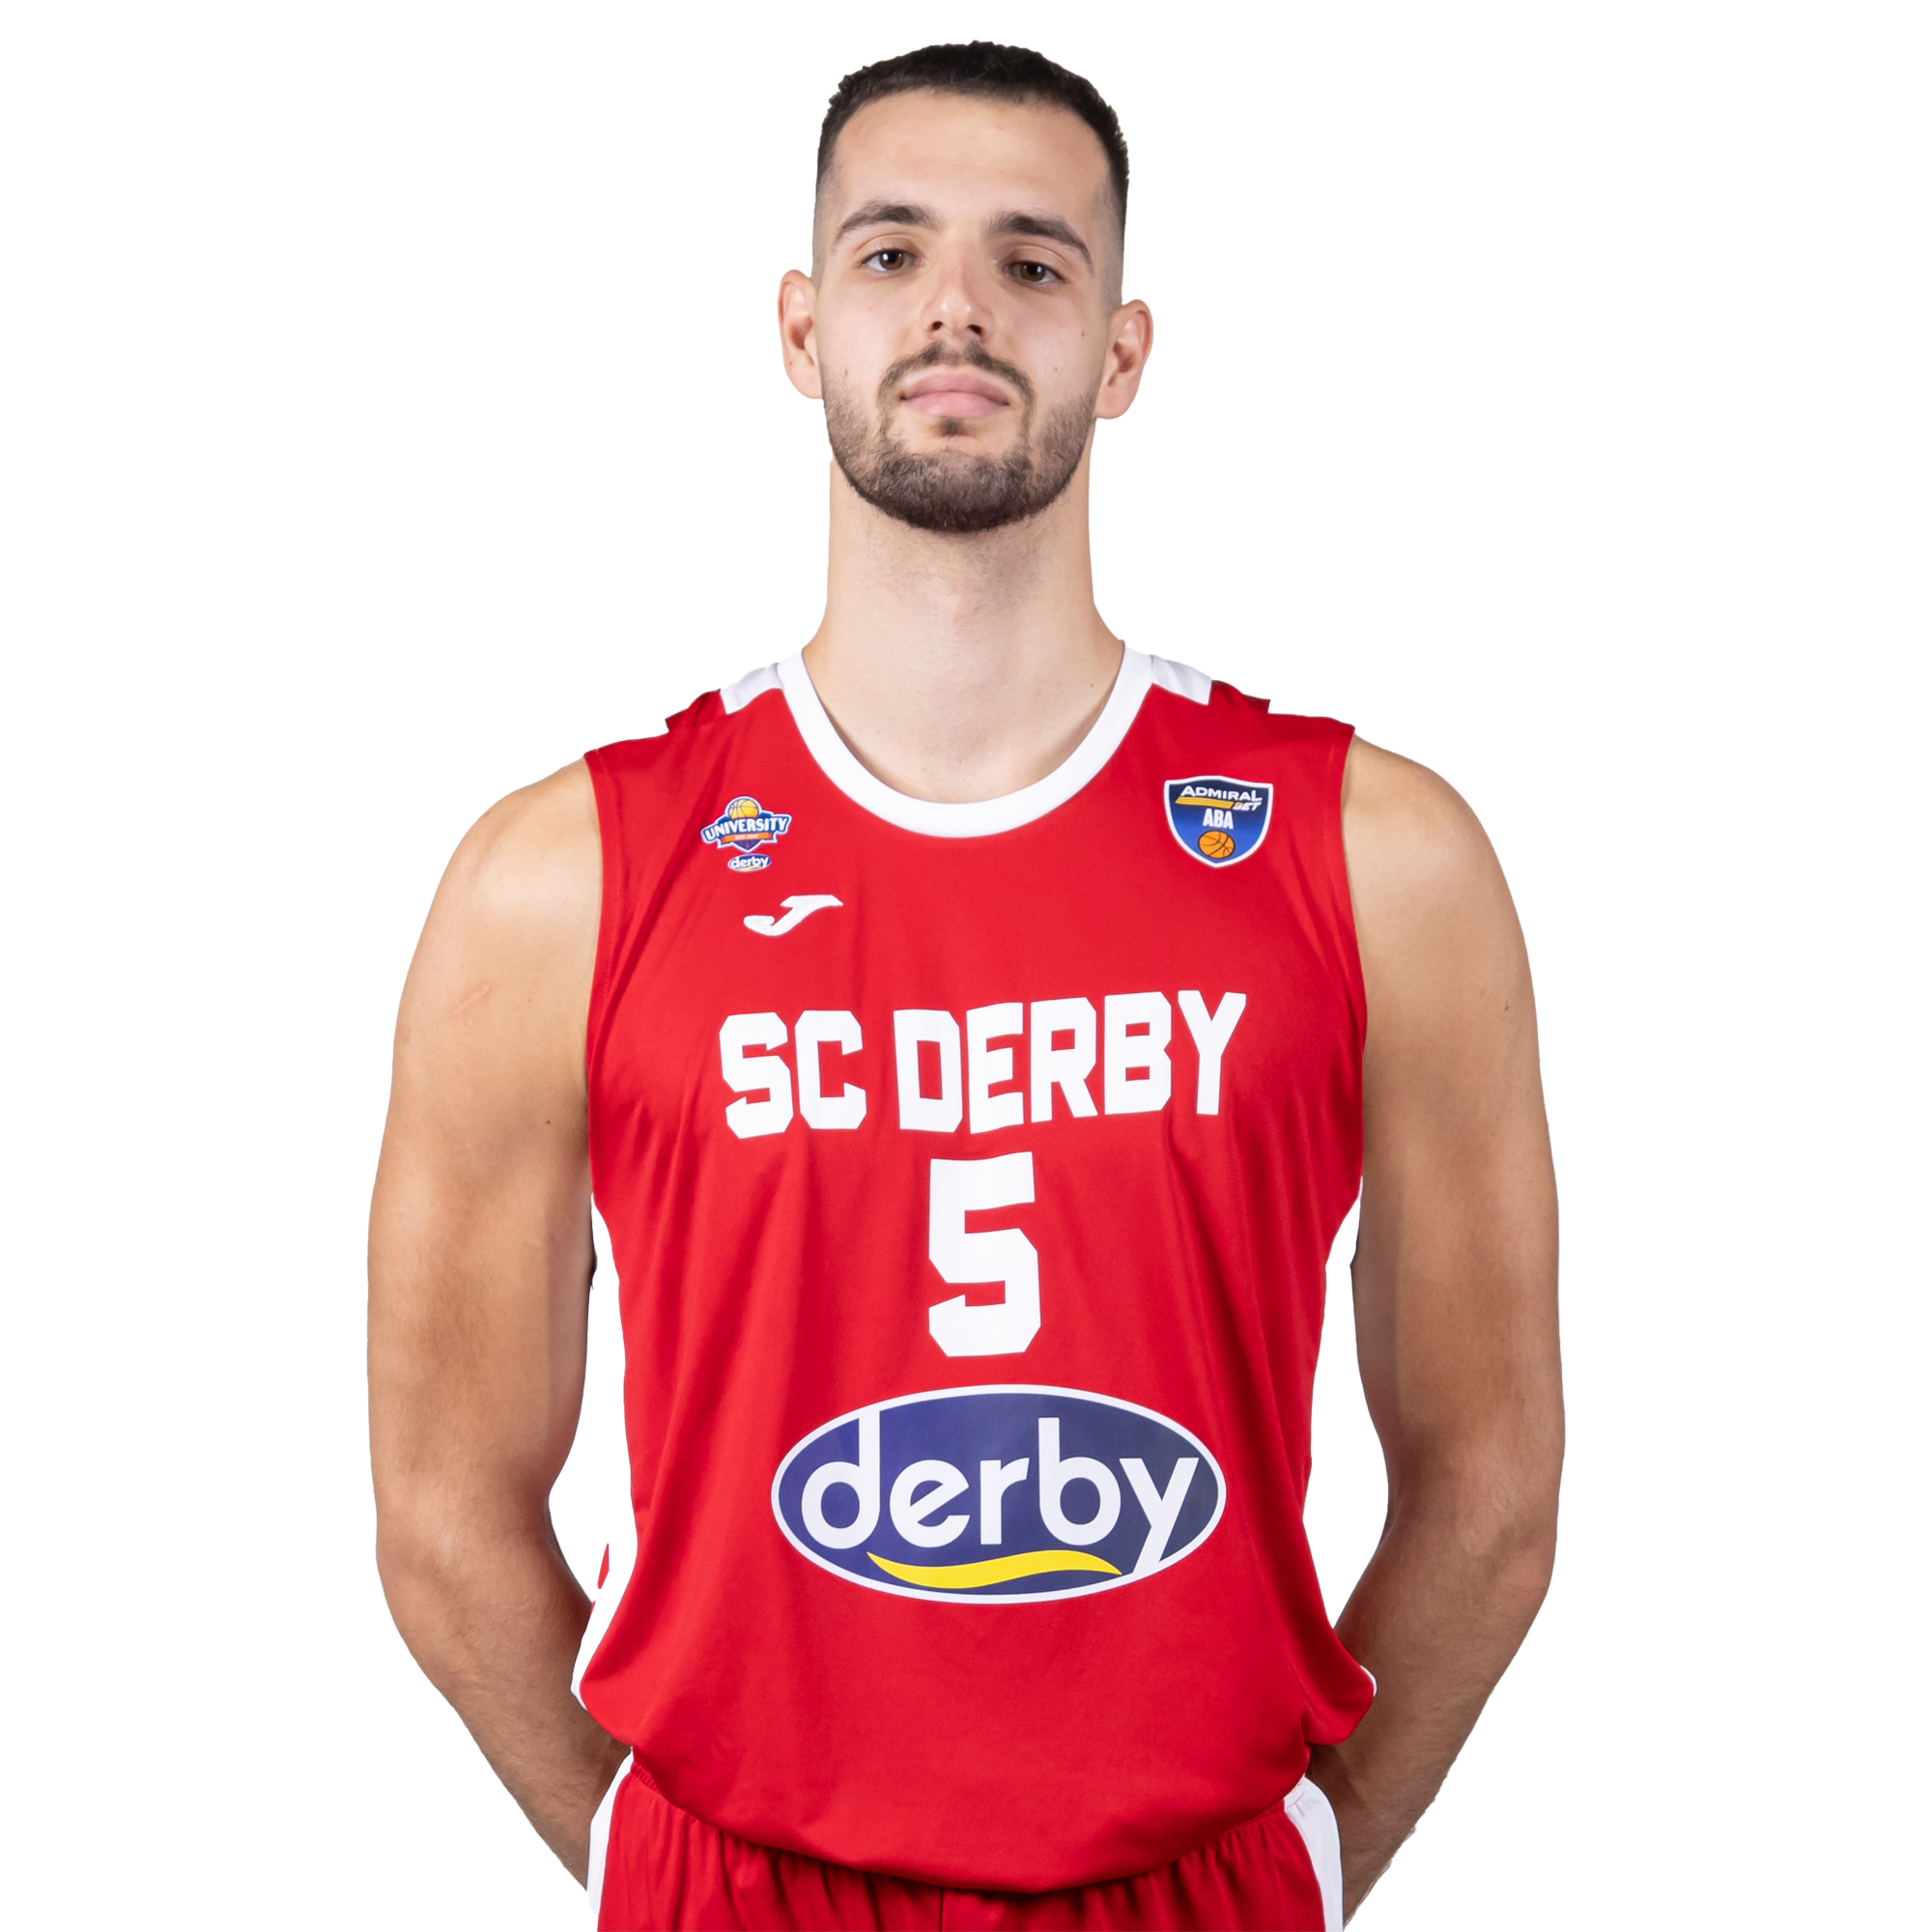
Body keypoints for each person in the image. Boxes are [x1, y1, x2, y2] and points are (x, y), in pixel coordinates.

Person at [369, 39, 1562, 1932]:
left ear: (1122, 350)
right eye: (890, 251)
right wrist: (642, 1871)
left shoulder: (1371, 861)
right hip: (735, 1890)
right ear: (801, 327)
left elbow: (1490, 1482)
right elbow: (442, 1512)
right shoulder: (564, 881)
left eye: (1031, 260)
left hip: (1189, 1889)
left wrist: (1315, 1858)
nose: (957, 308)